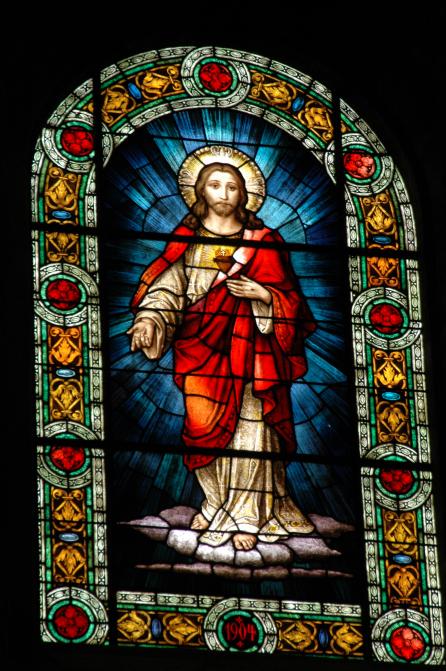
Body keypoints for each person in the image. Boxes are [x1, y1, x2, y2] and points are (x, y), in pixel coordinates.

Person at [128, 160, 316, 551]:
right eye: (215, 185)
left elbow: (293, 301)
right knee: (203, 430)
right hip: (200, 350)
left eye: (232, 186)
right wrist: (149, 319)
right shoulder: (187, 238)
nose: (224, 194)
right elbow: (167, 289)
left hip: (253, 354)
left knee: (251, 429)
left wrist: (264, 295)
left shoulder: (264, 240)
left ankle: (247, 515)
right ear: (200, 191)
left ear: (244, 194)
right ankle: (216, 504)